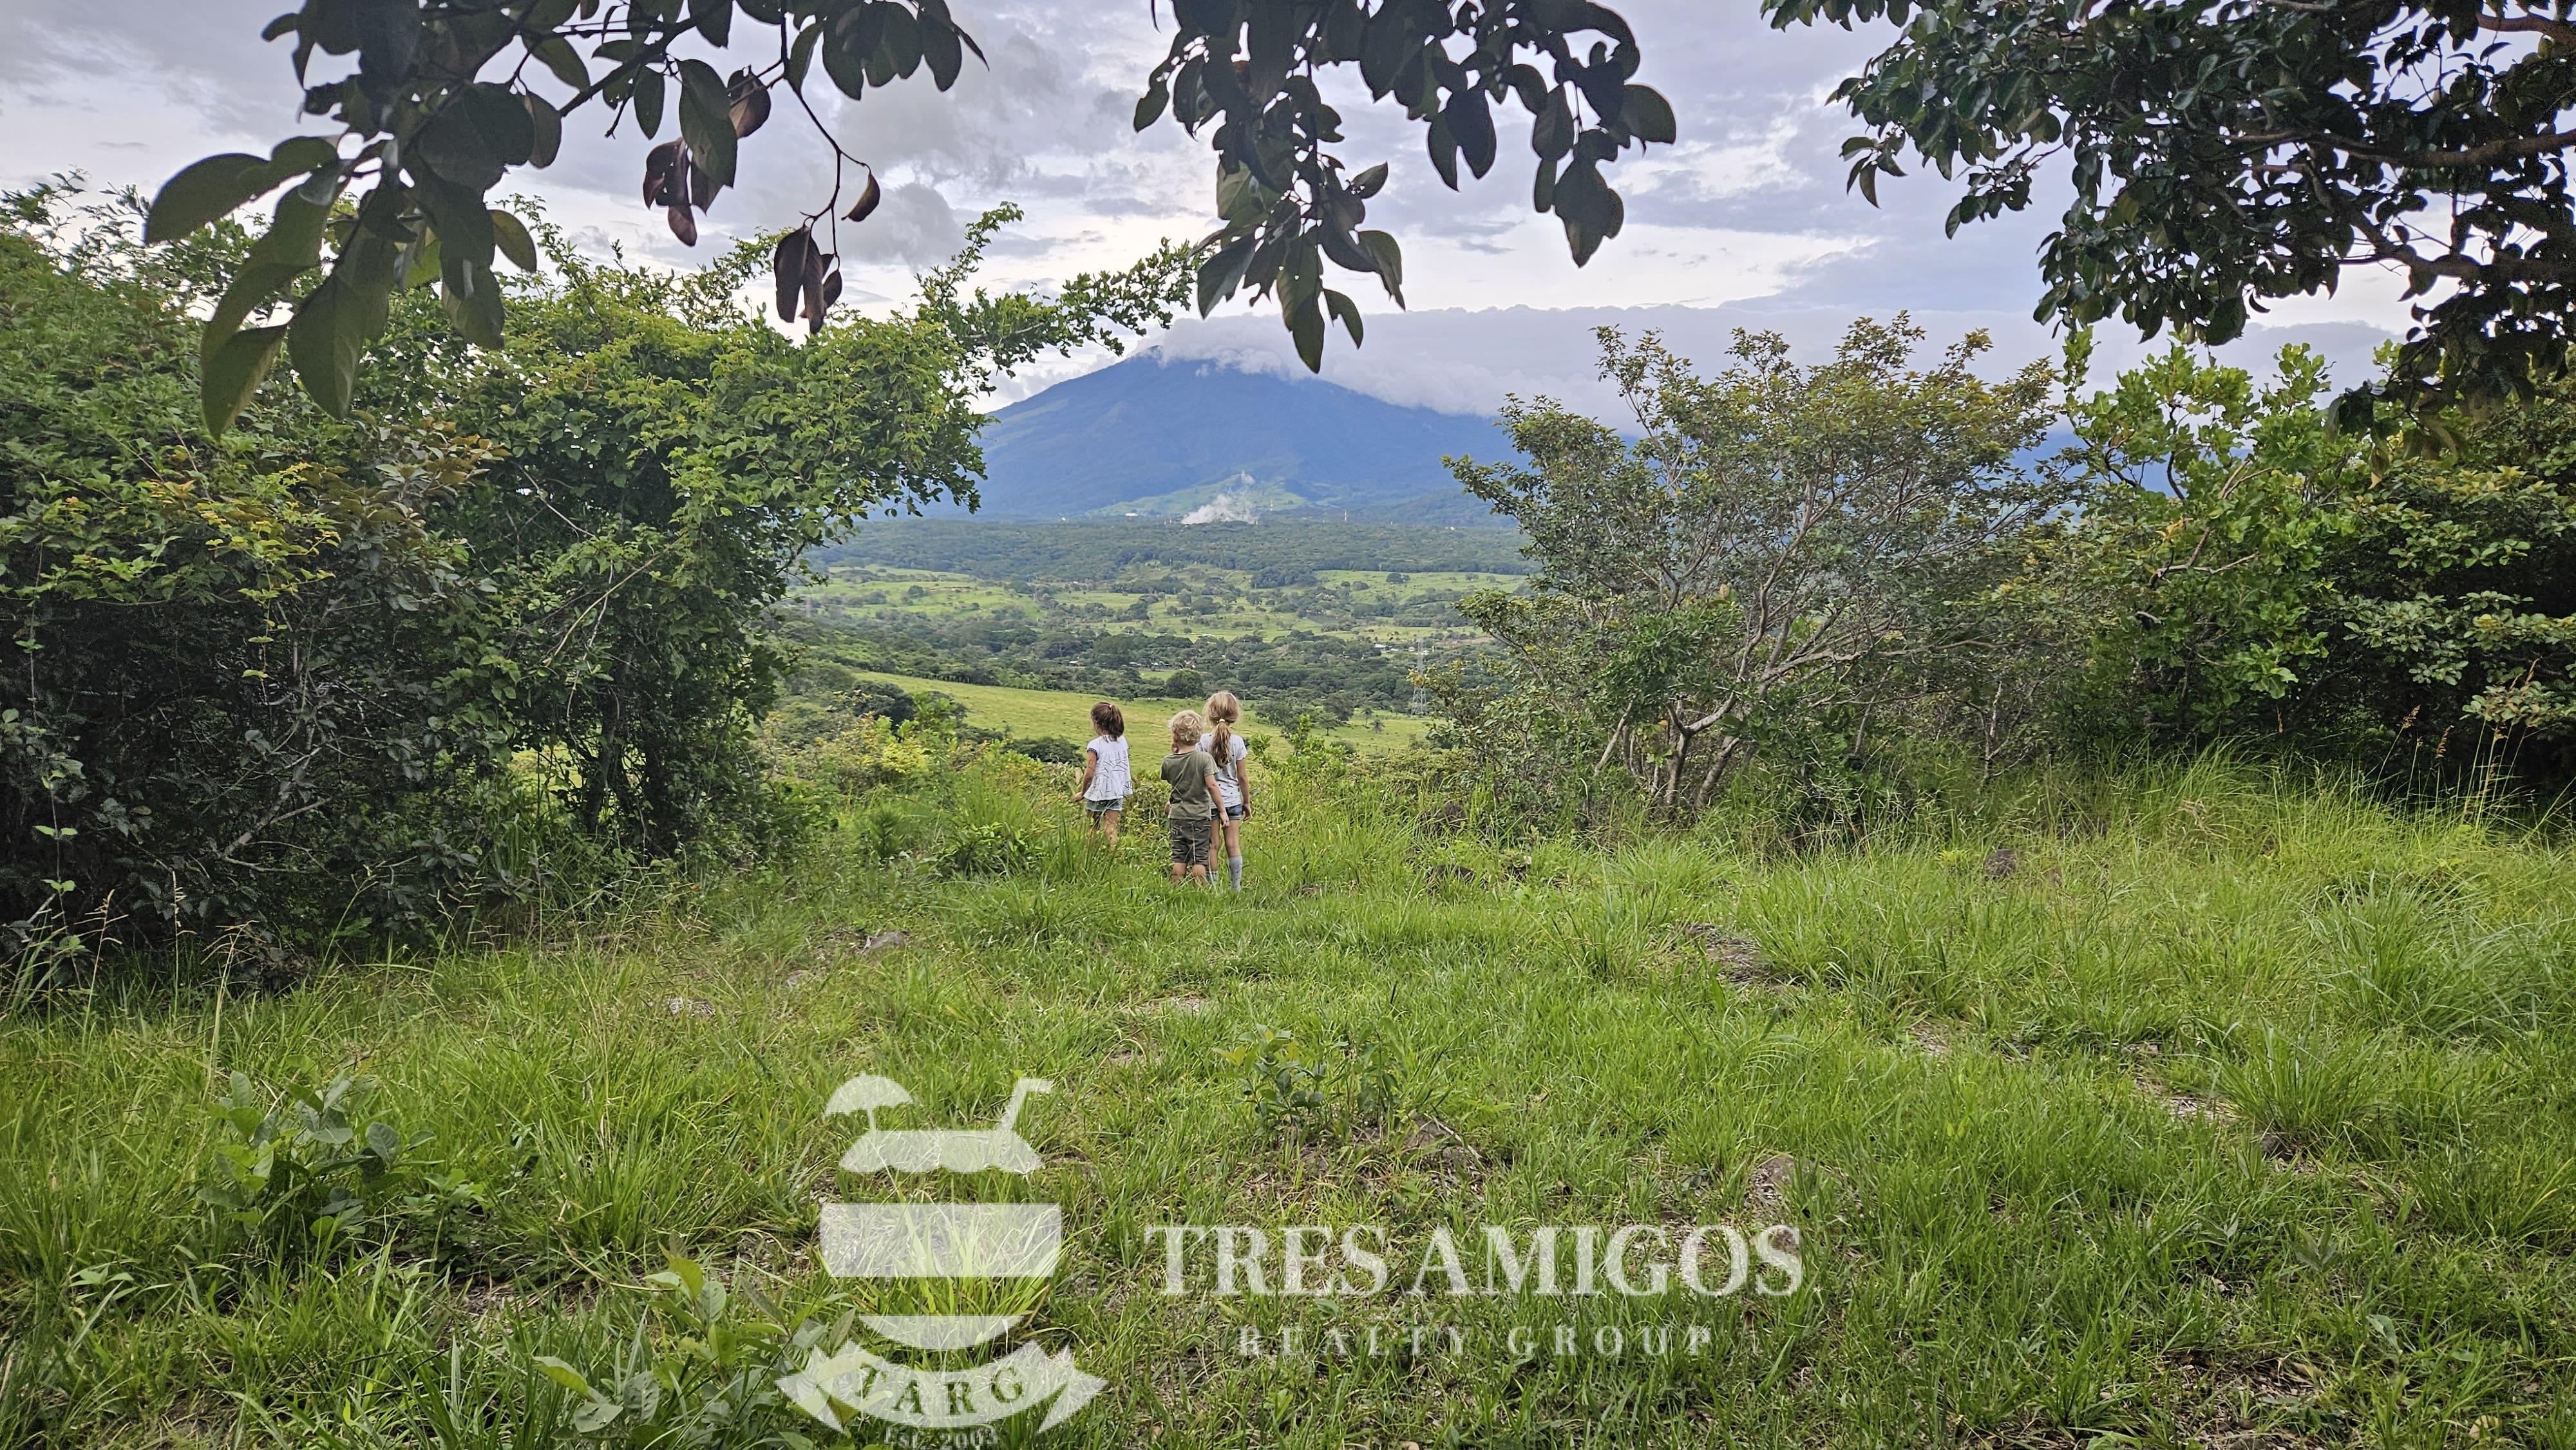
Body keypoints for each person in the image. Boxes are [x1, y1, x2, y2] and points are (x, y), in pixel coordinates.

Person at [1198, 690, 1253, 890]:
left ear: (1210, 713)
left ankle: (1213, 889)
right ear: (1234, 715)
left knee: (1213, 845)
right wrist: (1246, 801)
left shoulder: (1202, 741)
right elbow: (1242, 777)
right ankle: (1235, 888)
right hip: (1232, 800)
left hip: (1209, 801)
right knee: (1233, 845)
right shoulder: (1237, 742)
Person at [1160, 710, 1222, 887]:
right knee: (1199, 858)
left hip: (1177, 816)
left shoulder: (1168, 761)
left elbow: (1170, 780)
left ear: (1175, 735)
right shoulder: (1204, 759)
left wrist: (1174, 751)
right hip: (1200, 817)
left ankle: (1175, 888)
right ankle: (1200, 891)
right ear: (1198, 736)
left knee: (1179, 857)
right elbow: (1211, 786)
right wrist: (1222, 810)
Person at [1074, 701, 1130, 847]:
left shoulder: (1095, 745)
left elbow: (1089, 774)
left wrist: (1082, 793)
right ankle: (1114, 857)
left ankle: (1089, 856)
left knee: (1093, 827)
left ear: (1096, 724)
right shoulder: (1122, 741)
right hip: (1116, 791)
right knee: (1111, 828)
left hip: (1098, 792)